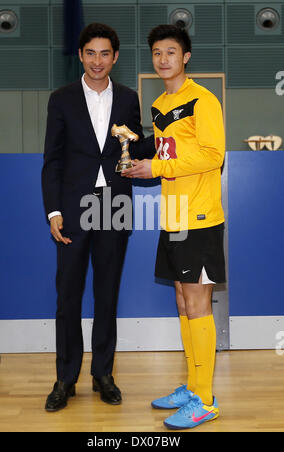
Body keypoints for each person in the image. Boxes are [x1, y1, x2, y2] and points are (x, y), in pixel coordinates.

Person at [42, 23, 154, 412]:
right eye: (91, 53)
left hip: (114, 204)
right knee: (67, 298)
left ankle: (103, 374)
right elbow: (52, 161)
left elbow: (135, 144)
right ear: (81, 55)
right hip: (73, 208)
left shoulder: (128, 98)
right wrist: (54, 210)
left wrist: (167, 135)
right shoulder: (61, 99)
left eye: (105, 54)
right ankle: (65, 378)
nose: (97, 61)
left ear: (115, 57)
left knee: (107, 295)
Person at [122, 24, 226, 429]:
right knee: (184, 303)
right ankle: (193, 384)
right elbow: (167, 151)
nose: (162, 59)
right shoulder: (162, 104)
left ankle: (205, 399)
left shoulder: (203, 100)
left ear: (185, 57)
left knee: (199, 306)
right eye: (156, 54)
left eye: (170, 52)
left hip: (199, 217)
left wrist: (157, 167)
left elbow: (212, 155)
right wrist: (138, 157)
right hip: (173, 216)